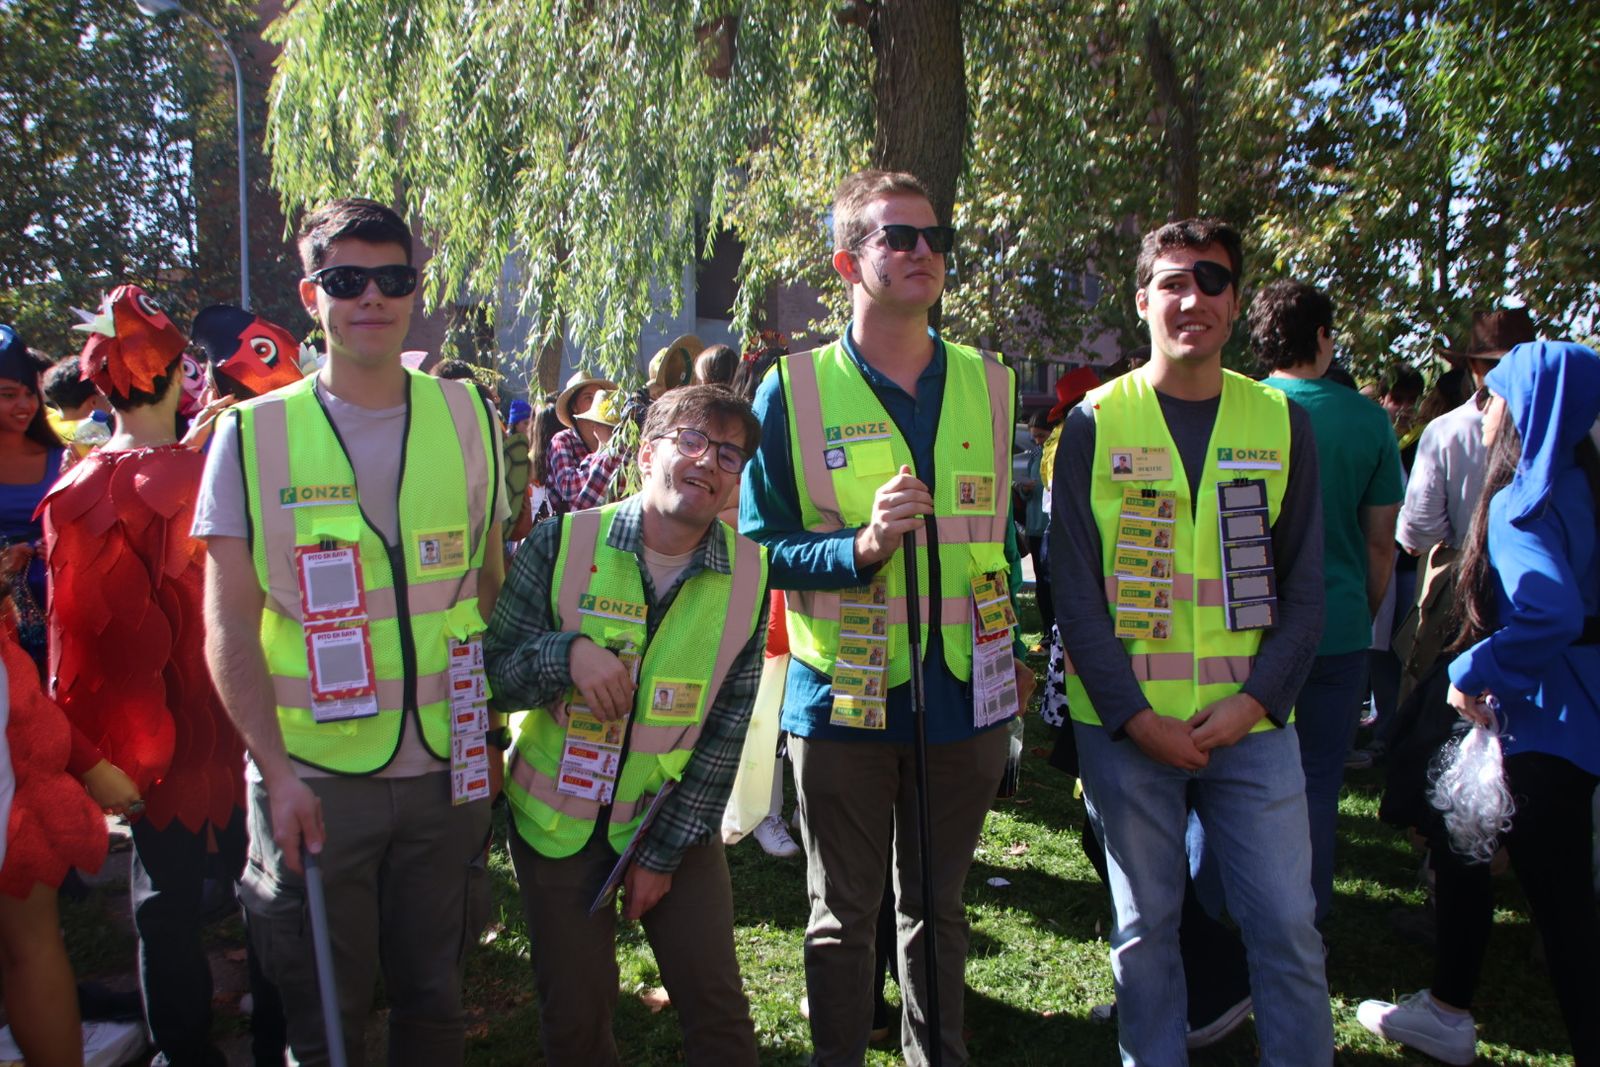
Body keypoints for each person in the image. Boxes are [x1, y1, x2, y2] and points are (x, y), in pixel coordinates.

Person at [196, 197, 507, 1066]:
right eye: (347, 280)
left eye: (393, 278)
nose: (373, 297)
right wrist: (276, 773)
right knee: (326, 1025)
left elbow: (490, 587)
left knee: (436, 1003)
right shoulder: (251, 436)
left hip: (450, 771)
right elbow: (226, 624)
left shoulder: (470, 416)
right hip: (320, 784)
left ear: (415, 289)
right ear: (311, 292)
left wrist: (490, 736)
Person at [740, 169, 1032, 1066]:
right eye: (897, 237)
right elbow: (758, 550)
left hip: (964, 697)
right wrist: (857, 550)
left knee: (938, 911)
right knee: (842, 917)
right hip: (843, 699)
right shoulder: (791, 388)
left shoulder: (992, 380)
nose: (922, 252)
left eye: (935, 236)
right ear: (847, 261)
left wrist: (1014, 646)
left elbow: (1001, 532)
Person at [1052, 218, 1332, 1065]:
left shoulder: (1280, 420)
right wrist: (1136, 719)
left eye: (1213, 280)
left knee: (1288, 929)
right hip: (1129, 733)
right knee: (1145, 933)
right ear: (1143, 300)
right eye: (1173, 281)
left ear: (1237, 303)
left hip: (1252, 727)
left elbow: (1307, 587)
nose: (1193, 298)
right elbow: (1073, 591)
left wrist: (1255, 702)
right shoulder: (1097, 422)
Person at [485, 384, 768, 1066]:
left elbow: (726, 730)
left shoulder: (750, 575)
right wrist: (566, 654)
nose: (709, 462)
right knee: (577, 1017)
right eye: (693, 441)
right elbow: (493, 673)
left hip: (667, 814)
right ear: (646, 454)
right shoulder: (560, 542)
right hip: (556, 825)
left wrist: (662, 854)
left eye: (729, 454)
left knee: (720, 1014)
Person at [1358, 341, 1600, 1066]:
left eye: (1493, 395)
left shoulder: (1523, 501)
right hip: (1575, 723)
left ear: (1522, 407)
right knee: (1469, 841)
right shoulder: (1585, 489)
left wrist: (1474, 665)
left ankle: (1454, 1009)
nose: (1482, 407)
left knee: (1563, 914)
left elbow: (1548, 611)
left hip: (1539, 729)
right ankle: (1447, 1006)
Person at [41, 284, 253, 1067]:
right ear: (176, 378)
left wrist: (95, 755)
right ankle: (273, 1042)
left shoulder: (71, 492)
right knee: (261, 889)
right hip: (235, 724)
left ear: (98, 387)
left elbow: (76, 643)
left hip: (146, 740)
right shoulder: (217, 475)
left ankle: (185, 1053)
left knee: (162, 904)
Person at [1252, 279, 1404, 928]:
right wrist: (1364, 613)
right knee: (1316, 782)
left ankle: (1238, 922)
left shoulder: (1238, 406)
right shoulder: (1367, 419)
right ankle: (1304, 928)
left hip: (1246, 627)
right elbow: (1380, 545)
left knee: (1240, 780)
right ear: (1322, 336)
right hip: (1337, 626)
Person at [0, 328, 63, 671]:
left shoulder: (64, 458)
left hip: (61, 614)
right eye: (9, 395)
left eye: (30, 394)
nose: (24, 405)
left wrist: (62, 545)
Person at [548, 369, 621, 515]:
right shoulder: (562, 441)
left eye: (600, 397)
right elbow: (568, 487)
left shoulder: (616, 439)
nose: (596, 403)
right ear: (574, 406)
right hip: (570, 529)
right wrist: (604, 457)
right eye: (589, 398)